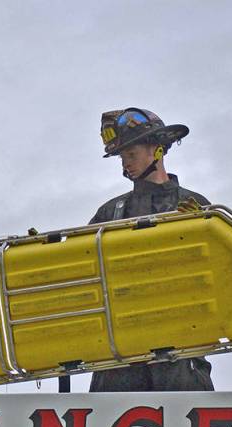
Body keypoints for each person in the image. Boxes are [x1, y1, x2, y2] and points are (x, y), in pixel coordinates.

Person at [88, 108, 214, 392]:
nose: (126, 164)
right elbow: (84, 269)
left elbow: (216, 275)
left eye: (131, 155)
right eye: (122, 157)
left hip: (180, 352)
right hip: (119, 356)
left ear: (157, 151)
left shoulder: (194, 205)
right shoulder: (110, 212)